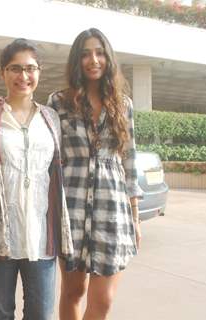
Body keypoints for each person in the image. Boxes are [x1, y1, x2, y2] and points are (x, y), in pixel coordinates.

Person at [47, 28, 143, 320]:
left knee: (103, 300)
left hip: (112, 208)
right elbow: (49, 158)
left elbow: (129, 158)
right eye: (86, 53)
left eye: (99, 52)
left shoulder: (122, 104)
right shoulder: (59, 102)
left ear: (108, 58)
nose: (93, 59)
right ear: (77, 60)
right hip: (71, 208)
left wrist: (135, 216)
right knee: (73, 292)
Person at [0, 38, 73, 320]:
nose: (23, 76)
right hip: (0, 236)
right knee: (1, 312)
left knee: (41, 313)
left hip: (41, 234)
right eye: (15, 69)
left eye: (30, 68)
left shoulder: (51, 118)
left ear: (39, 72)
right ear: (2, 73)